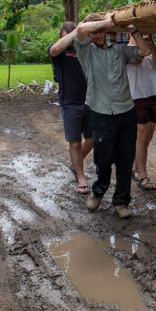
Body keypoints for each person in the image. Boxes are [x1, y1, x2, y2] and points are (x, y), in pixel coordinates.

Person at [75, 12, 152, 218]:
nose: (99, 35)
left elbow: (144, 50)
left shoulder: (119, 50)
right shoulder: (86, 51)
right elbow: (81, 30)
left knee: (125, 160)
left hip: (126, 111)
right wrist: (107, 21)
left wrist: (131, 29)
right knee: (103, 160)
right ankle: (98, 192)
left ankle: (121, 202)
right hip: (101, 113)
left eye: (102, 31)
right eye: (95, 32)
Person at [49, 21, 93, 195]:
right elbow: (55, 49)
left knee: (91, 138)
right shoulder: (57, 51)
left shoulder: (84, 48)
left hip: (90, 100)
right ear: (62, 36)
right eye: (69, 35)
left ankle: (76, 164)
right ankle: (80, 176)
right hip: (70, 102)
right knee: (74, 141)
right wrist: (75, 32)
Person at [127, 33, 156, 191]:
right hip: (137, 97)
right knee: (142, 136)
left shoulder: (148, 48)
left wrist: (151, 42)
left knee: (148, 136)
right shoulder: (129, 50)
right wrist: (144, 43)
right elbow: (137, 60)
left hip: (152, 95)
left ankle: (135, 167)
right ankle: (143, 175)